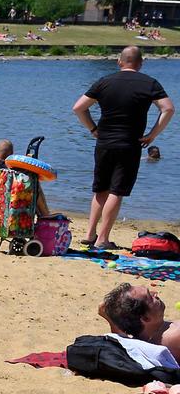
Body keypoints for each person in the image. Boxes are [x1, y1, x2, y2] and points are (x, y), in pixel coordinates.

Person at [73, 45, 174, 249]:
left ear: (119, 62)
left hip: (104, 142)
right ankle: (103, 239)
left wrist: (93, 129)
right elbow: (168, 109)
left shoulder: (104, 81)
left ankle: (90, 234)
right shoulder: (149, 83)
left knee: (100, 189)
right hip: (130, 144)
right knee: (116, 191)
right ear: (141, 63)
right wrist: (152, 135)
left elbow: (78, 108)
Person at [100, 283, 180, 362]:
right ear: (145, 318)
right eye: (150, 297)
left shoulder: (135, 344)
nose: (155, 293)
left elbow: (120, 337)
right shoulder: (175, 334)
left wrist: (110, 318)